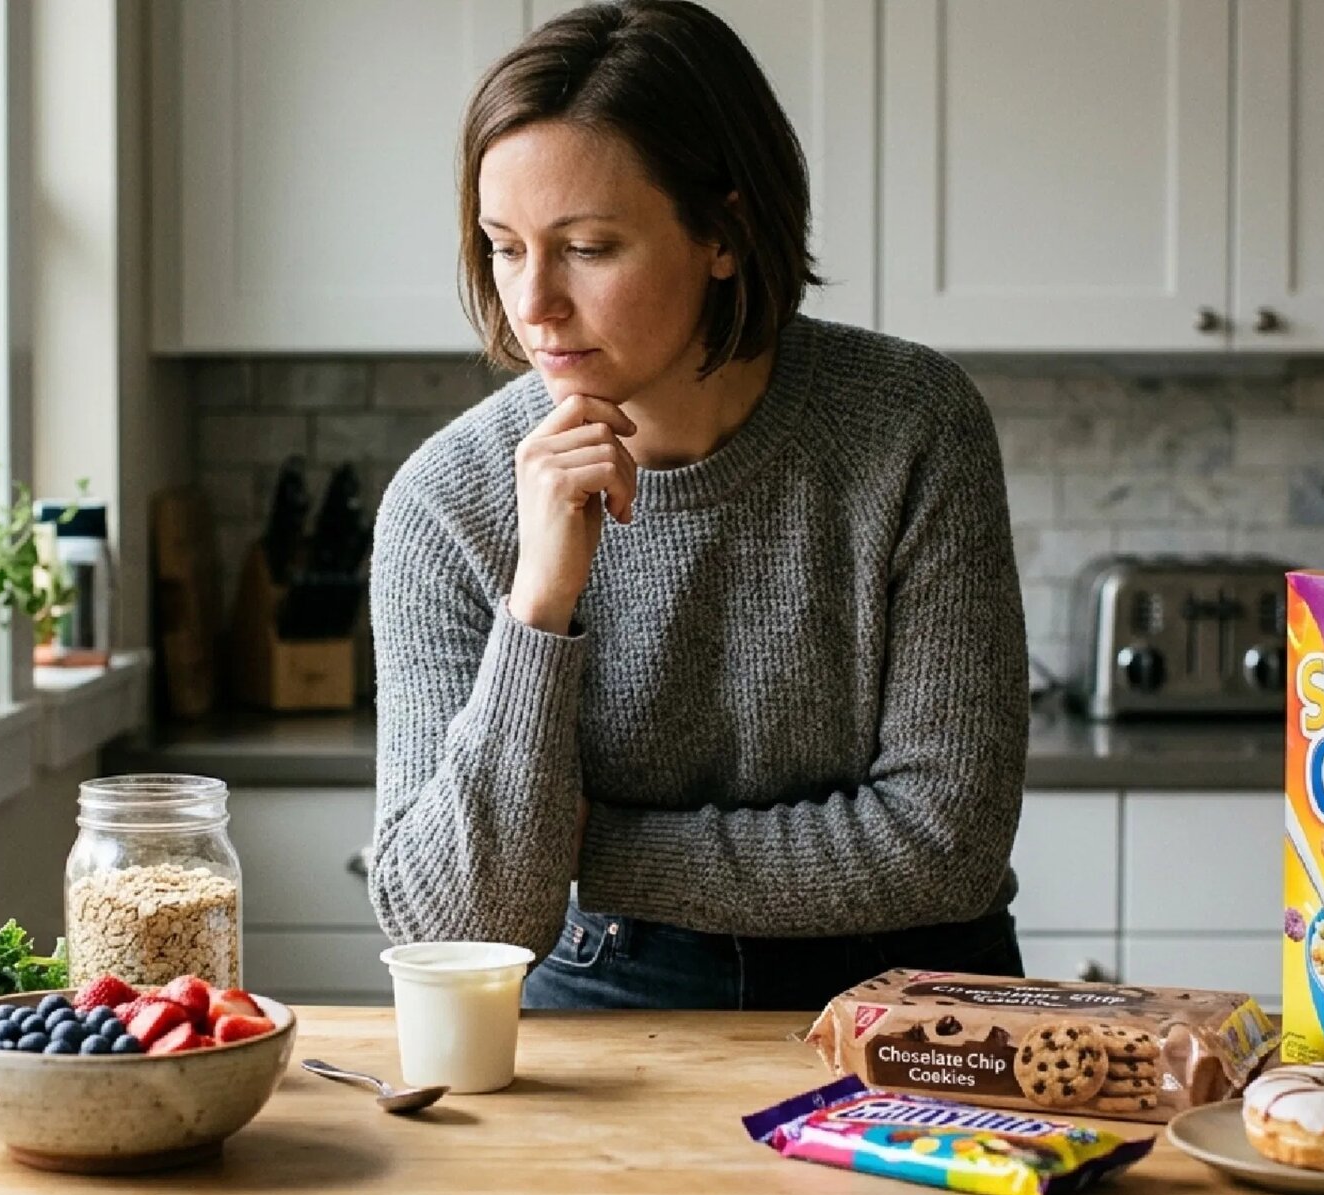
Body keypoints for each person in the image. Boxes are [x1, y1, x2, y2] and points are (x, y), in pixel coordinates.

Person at [367, 0, 1028, 1011]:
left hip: (913, 987)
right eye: (504, 247)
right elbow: (452, 924)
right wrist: (538, 604)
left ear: (725, 232)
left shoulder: (911, 425)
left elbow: (944, 848)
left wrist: (593, 849)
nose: (532, 304)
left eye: (588, 247)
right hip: (605, 982)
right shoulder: (448, 501)